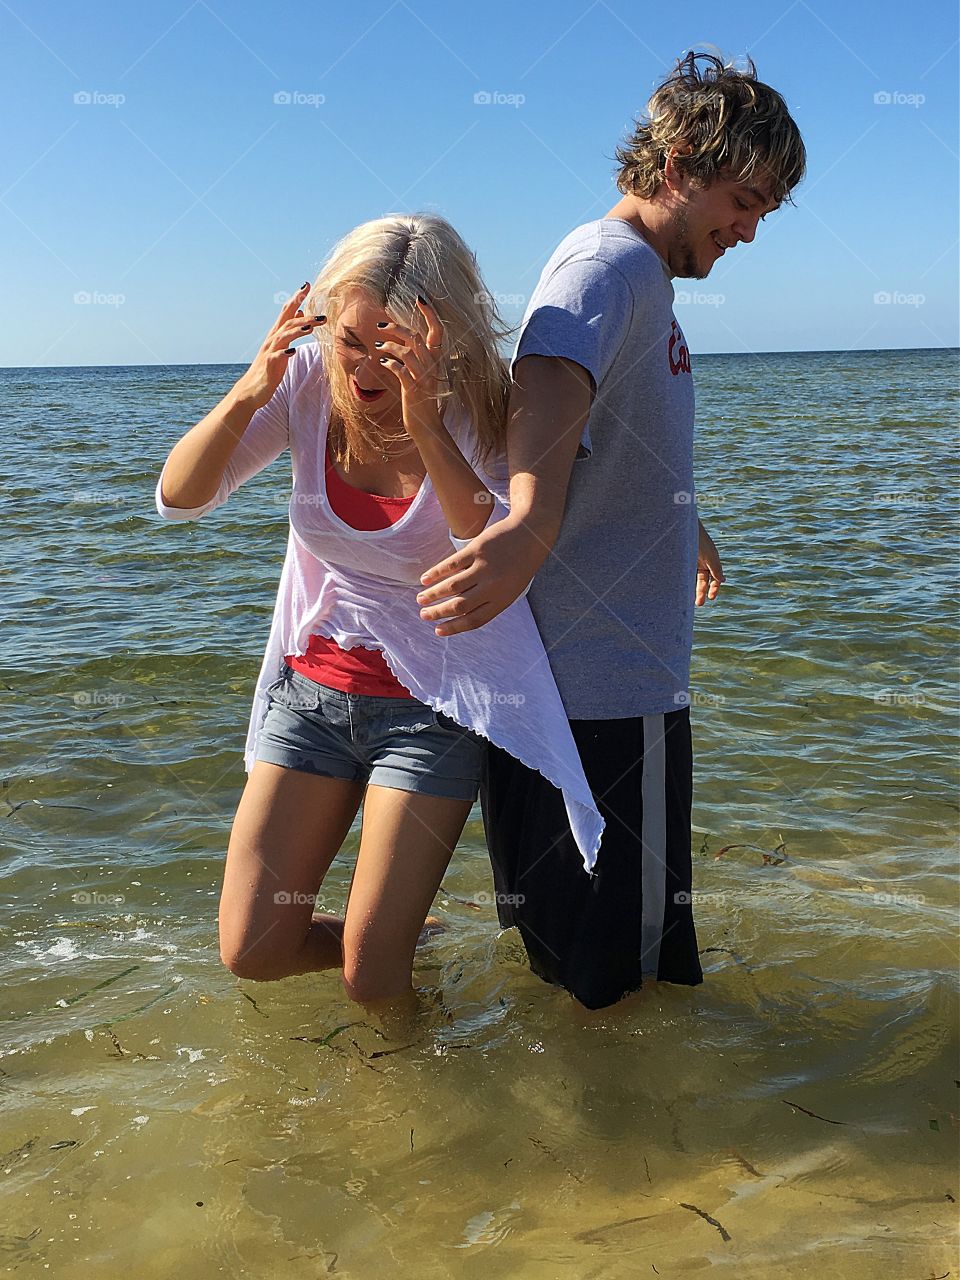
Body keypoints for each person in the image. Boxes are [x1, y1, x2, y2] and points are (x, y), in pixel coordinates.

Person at [414, 52, 807, 1009]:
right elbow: (551, 375)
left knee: (571, 955)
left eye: (765, 212)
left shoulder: (642, 280)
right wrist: (530, 517)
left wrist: (688, 519)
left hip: (592, 685)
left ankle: (577, 1143)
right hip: (608, 687)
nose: (750, 231)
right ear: (678, 162)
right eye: (744, 200)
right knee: (626, 980)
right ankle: (640, 1149)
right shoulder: (605, 264)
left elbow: (611, 425)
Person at [154, 213, 605, 1011]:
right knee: (253, 950)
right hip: (311, 695)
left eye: (390, 347)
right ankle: (416, 937)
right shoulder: (304, 385)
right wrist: (246, 390)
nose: (364, 369)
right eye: (350, 341)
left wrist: (425, 416)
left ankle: (411, 1099)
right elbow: (179, 499)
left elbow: (487, 535)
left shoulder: (482, 409)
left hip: (431, 709)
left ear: (445, 336)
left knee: (370, 979)